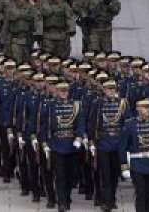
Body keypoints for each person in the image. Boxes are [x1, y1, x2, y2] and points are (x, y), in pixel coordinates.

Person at [41, 81, 86, 212]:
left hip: (72, 144)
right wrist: (44, 142)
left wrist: (79, 136)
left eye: (65, 91)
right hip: (57, 143)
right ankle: (62, 202)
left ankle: (66, 197)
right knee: (60, 175)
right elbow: (45, 124)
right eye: (61, 91)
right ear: (56, 91)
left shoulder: (76, 105)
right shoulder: (51, 106)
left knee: (70, 175)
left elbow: (81, 122)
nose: (64, 93)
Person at [120, 98, 149, 212]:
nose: (146, 110)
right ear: (137, 109)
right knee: (140, 192)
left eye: (148, 108)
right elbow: (122, 147)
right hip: (137, 164)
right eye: (143, 107)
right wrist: (124, 166)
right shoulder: (130, 125)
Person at [90, 79, 126, 212]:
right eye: (108, 89)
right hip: (103, 143)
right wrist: (91, 141)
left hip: (117, 143)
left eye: (113, 89)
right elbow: (93, 123)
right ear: (103, 90)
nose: (110, 92)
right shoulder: (97, 104)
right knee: (104, 174)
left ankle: (112, 198)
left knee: (115, 173)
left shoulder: (122, 104)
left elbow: (126, 124)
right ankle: (106, 201)